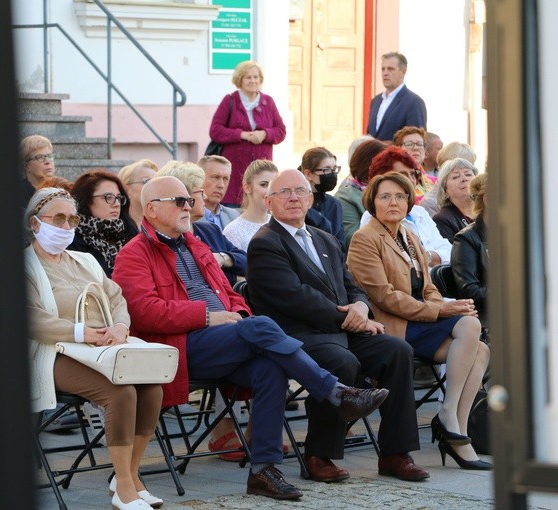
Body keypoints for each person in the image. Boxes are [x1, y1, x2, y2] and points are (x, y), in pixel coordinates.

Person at [112, 176, 389, 500]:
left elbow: (232, 295)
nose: (189, 206)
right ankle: (336, 392)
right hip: (180, 347)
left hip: (224, 339)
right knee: (259, 327)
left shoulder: (195, 245)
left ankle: (263, 471)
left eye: (189, 199)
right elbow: (143, 311)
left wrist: (239, 315)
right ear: (151, 209)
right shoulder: (134, 254)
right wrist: (206, 316)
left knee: (268, 368)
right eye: (179, 201)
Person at [247, 169, 430, 484]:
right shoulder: (265, 242)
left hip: (340, 329)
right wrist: (348, 317)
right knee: (342, 360)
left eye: (300, 191)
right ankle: (319, 455)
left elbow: (351, 285)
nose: (293, 198)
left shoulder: (325, 238)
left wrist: (360, 306)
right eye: (284, 192)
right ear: (269, 201)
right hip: (296, 336)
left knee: (397, 350)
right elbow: (295, 298)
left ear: (310, 198)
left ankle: (395, 454)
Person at [24, 188, 164, 510]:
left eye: (71, 219)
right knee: (120, 393)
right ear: (35, 223)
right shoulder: (24, 264)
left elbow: (115, 297)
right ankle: (125, 488)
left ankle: (126, 475)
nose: (65, 226)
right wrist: (81, 332)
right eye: (57, 218)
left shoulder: (85, 259)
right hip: (53, 352)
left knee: (152, 389)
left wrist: (119, 327)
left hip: (103, 348)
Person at [347, 173, 491, 471]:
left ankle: (457, 429)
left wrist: (440, 306)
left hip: (420, 322)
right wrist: (440, 312)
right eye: (385, 196)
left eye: (400, 197)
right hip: (392, 327)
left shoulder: (409, 236)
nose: (393, 202)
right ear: (372, 202)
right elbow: (385, 297)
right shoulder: (365, 239)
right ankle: (449, 418)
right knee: (469, 325)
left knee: (481, 348)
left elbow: (429, 287)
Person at [208, 60, 286, 207]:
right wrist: (241, 135)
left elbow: (281, 130)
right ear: (240, 80)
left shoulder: (268, 101)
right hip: (235, 167)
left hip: (262, 167)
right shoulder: (230, 100)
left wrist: (265, 134)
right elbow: (215, 130)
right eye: (248, 77)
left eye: (256, 77)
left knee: (260, 205)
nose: (253, 81)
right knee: (234, 207)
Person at [158, 160, 246, 286]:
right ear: (183, 196)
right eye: (200, 192)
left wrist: (222, 258)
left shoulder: (211, 230)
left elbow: (246, 261)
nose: (205, 197)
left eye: (226, 178)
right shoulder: (162, 240)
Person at [361, 145, 451, 266]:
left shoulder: (419, 212)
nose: (411, 180)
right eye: (402, 174)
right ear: (382, 178)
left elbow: (448, 251)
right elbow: (394, 261)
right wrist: (430, 257)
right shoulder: (375, 215)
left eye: (413, 174)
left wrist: (425, 256)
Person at [68, 170, 137, 277]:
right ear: (86, 200)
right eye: (108, 197)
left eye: (119, 198)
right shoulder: (70, 239)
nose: (117, 204)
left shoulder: (131, 233)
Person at [335, 139, 388, 248]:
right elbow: (354, 238)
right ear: (368, 166)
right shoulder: (346, 197)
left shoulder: (392, 190)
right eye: (384, 166)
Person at [452, 173, 488, 326]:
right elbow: (470, 292)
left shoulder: (517, 234)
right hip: (486, 319)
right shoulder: (466, 239)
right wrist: (515, 289)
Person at [366, 52, 427, 141]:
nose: (385, 73)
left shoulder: (414, 102)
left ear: (403, 72)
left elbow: (415, 141)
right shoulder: (375, 101)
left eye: (390, 69)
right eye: (383, 69)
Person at [223, 159, 279, 251]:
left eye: (273, 186)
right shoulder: (233, 230)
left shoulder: (280, 223)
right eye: (264, 185)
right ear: (247, 187)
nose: (269, 191)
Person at [299, 147, 347, 252]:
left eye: (334, 169)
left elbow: (340, 245)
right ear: (308, 174)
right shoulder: (297, 204)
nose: (332, 174)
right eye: (326, 170)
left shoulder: (334, 204)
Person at [420, 141, 477, 217]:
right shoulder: (430, 203)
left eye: (468, 173)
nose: (465, 178)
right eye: (456, 175)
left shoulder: (478, 196)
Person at [432, 159, 479, 241]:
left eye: (468, 174)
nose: (464, 179)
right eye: (456, 177)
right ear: (445, 191)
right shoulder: (442, 219)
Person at [196, 155, 240, 229]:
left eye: (225, 179)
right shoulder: (189, 216)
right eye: (215, 177)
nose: (221, 185)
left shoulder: (234, 216)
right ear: (199, 179)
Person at [393, 126, 433, 200]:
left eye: (420, 144)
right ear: (398, 149)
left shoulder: (435, 183)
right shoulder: (394, 180)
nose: (416, 148)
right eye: (409, 144)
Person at [118, 159, 159, 228]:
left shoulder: (161, 226)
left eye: (156, 182)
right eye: (146, 181)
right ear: (126, 190)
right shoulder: (117, 227)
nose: (154, 187)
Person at [20, 134, 56, 207]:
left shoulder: (61, 188)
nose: (47, 161)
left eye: (49, 156)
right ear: (26, 166)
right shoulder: (18, 194)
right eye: (39, 157)